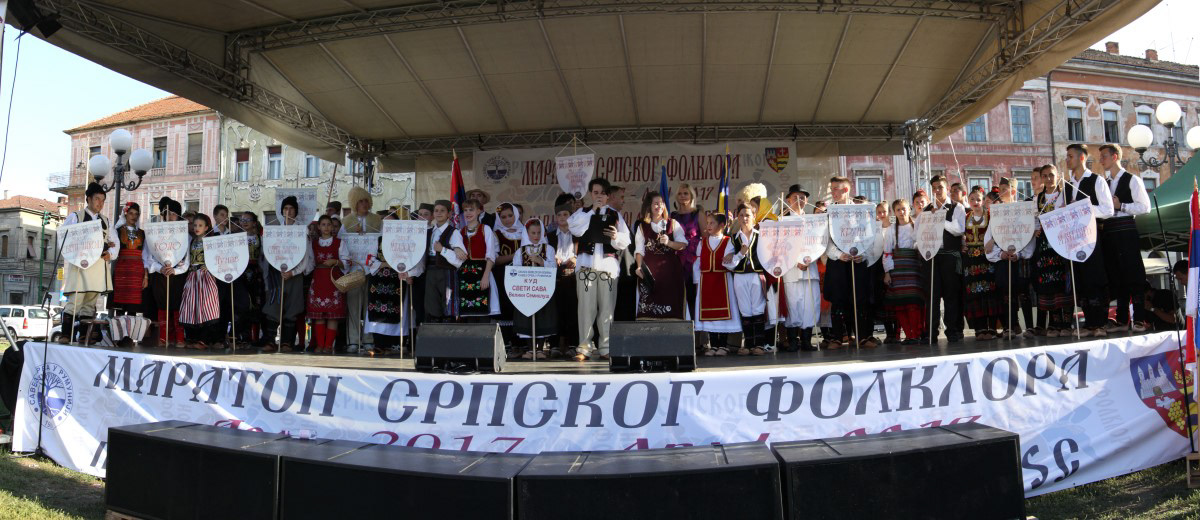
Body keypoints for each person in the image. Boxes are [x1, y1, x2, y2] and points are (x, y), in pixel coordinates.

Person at [568, 178, 631, 361]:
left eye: (602, 193)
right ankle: (584, 347)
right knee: (585, 308)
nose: (599, 196)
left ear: (608, 195)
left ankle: (606, 347)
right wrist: (592, 212)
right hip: (586, 265)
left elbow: (625, 240)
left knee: (607, 309)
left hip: (607, 267)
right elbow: (575, 229)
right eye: (595, 193)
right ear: (590, 194)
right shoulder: (583, 212)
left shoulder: (615, 215)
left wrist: (615, 236)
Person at [1064, 143, 1115, 337]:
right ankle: (1089, 323)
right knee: (1081, 279)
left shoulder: (1096, 180)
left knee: (1096, 278)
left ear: (1081, 158)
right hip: (1074, 240)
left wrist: (1083, 208)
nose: (1067, 160)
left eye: (1070, 156)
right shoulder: (1067, 185)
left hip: (1093, 238)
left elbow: (1108, 210)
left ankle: (1100, 323)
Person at [1099, 144, 1150, 333]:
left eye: (1104, 156)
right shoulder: (1104, 183)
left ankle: (1139, 319)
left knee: (1133, 274)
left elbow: (1145, 207)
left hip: (1126, 229)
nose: (1101, 160)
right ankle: (1121, 320)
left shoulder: (1132, 179)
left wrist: (1121, 206)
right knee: (1116, 275)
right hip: (1109, 231)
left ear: (1115, 157)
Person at [824, 177, 878, 349]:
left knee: (860, 298)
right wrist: (838, 254)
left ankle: (863, 336)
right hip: (839, 262)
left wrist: (863, 254)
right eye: (832, 188)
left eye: (836, 188)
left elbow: (869, 236)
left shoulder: (861, 211)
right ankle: (838, 337)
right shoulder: (829, 212)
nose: (832, 192)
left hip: (857, 260)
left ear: (846, 190)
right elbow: (825, 240)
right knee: (838, 299)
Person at [61, 183, 118, 343]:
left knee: (90, 303)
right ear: (89, 199)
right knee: (75, 301)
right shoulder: (75, 217)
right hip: (81, 266)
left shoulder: (106, 221)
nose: (100, 203)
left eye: (103, 200)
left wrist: (110, 252)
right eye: (97, 199)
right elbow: (64, 240)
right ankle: (66, 334)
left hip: (98, 267)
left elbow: (115, 242)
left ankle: (84, 336)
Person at [262, 196, 313, 352]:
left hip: (294, 274)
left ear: (295, 211)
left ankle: (287, 342)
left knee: (292, 309)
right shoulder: (274, 231)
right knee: (273, 307)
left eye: (291, 209)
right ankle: (270, 341)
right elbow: (267, 253)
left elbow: (306, 256)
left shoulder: (301, 231)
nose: (288, 211)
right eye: (285, 208)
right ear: (282, 211)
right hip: (276, 275)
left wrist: (294, 272)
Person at [365, 221, 424, 356]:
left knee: (397, 311)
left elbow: (411, 260)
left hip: (398, 280)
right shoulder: (378, 240)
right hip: (378, 281)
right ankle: (379, 344)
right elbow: (369, 260)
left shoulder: (406, 241)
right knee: (377, 311)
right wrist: (389, 264)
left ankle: (394, 344)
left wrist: (408, 273)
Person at [339, 186, 382, 353]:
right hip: (353, 270)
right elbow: (341, 244)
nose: (364, 204)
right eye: (360, 201)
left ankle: (369, 339)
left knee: (369, 306)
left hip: (372, 270)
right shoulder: (346, 222)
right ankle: (353, 340)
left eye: (366, 201)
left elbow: (382, 242)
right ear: (354, 203)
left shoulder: (377, 220)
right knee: (353, 307)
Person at [924, 175, 967, 342]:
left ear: (947, 188)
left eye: (940, 187)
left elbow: (959, 229)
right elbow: (919, 234)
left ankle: (953, 331)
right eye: (934, 188)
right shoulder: (927, 209)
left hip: (950, 256)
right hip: (932, 257)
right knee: (932, 296)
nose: (937, 190)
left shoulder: (957, 207)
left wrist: (940, 218)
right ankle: (931, 332)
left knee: (951, 295)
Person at [1032, 165, 1073, 337]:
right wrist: (1036, 229)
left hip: (1061, 242)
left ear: (1058, 176)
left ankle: (1067, 324)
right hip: (1044, 246)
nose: (1048, 179)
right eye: (1045, 176)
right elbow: (1035, 218)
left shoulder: (1065, 194)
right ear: (1041, 178)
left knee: (1063, 283)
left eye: (1051, 175)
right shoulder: (1038, 198)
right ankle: (1055, 324)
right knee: (1049, 283)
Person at [634, 192, 688, 320]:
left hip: (670, 272)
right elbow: (639, 250)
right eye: (656, 203)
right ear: (649, 206)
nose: (659, 206)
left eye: (661, 203)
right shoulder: (642, 226)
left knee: (671, 306)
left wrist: (669, 243)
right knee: (648, 310)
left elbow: (683, 245)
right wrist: (639, 267)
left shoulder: (672, 224)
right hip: (650, 273)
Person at [725, 204, 769, 355]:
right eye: (742, 215)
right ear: (737, 218)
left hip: (756, 275)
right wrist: (739, 254)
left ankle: (759, 345)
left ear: (754, 217)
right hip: (740, 276)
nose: (744, 218)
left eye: (748, 215)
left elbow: (769, 256)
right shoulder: (733, 239)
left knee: (758, 308)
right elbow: (727, 264)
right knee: (745, 310)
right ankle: (749, 344)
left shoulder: (761, 236)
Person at [780, 185, 820, 352]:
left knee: (810, 305)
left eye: (802, 197)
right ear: (788, 200)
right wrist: (797, 261)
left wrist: (809, 259)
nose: (799, 200)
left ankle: (806, 340)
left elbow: (819, 243)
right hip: (791, 270)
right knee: (793, 304)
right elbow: (780, 246)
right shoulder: (782, 221)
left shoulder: (813, 220)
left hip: (810, 268)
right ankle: (792, 341)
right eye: (795, 197)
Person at [513, 218, 558, 359]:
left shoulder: (548, 249)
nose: (536, 236)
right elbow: (515, 270)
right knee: (527, 317)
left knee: (542, 317)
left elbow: (554, 268)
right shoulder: (520, 252)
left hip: (543, 290)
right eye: (533, 233)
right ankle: (530, 348)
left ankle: (540, 349)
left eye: (539, 232)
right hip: (526, 291)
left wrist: (541, 261)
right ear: (527, 233)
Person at [695, 213, 740, 356]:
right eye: (707, 223)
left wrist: (729, 259)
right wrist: (697, 281)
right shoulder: (702, 242)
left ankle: (723, 345)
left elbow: (729, 263)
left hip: (723, 280)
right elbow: (698, 262)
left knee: (723, 313)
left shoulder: (728, 241)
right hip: (706, 281)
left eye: (712, 223)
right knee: (709, 315)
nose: (708, 226)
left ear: (722, 225)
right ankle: (714, 345)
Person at [145, 197, 187, 348]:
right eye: (167, 213)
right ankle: (163, 337)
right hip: (160, 275)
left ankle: (179, 337)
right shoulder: (154, 233)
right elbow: (148, 256)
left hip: (178, 276)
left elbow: (187, 259)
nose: (170, 216)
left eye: (174, 213)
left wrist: (176, 270)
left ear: (178, 216)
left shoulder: (185, 235)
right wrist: (159, 268)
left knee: (177, 305)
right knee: (162, 304)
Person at [882, 199, 925, 344]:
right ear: (894, 212)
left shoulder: (916, 226)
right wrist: (887, 272)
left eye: (904, 209)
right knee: (900, 304)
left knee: (914, 302)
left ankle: (916, 334)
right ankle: (908, 334)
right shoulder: (890, 230)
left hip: (914, 268)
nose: (902, 212)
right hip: (897, 269)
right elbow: (887, 252)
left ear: (909, 209)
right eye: (898, 210)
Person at [449, 199, 499, 321]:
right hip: (464, 275)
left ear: (479, 211)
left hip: (482, 272)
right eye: (465, 210)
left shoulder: (485, 229)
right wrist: (456, 248)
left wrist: (486, 276)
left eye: (471, 210)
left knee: (483, 309)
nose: (468, 213)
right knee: (466, 311)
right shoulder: (460, 231)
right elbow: (452, 247)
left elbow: (491, 255)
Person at [961, 189, 1001, 340]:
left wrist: (993, 240)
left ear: (983, 201)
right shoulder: (966, 217)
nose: (975, 202)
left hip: (987, 257)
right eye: (972, 199)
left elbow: (999, 230)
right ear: (968, 201)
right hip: (971, 260)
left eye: (978, 199)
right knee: (974, 293)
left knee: (989, 292)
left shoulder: (990, 215)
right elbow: (959, 235)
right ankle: (979, 328)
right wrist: (962, 244)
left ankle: (991, 328)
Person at [306, 215, 349, 354]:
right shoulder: (313, 243)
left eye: (329, 224)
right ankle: (320, 345)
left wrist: (335, 262)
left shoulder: (339, 243)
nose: (326, 227)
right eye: (323, 224)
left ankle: (328, 345)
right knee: (319, 315)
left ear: (332, 227)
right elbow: (310, 262)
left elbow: (346, 262)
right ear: (318, 227)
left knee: (332, 315)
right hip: (318, 280)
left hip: (333, 280)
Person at [179, 214, 223, 349]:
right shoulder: (192, 241)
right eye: (195, 225)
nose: (196, 228)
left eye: (200, 225)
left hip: (206, 277)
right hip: (192, 276)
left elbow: (219, 258)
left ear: (207, 227)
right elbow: (188, 259)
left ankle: (204, 340)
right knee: (191, 306)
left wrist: (210, 266)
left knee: (206, 307)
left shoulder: (211, 242)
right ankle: (194, 338)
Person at [492, 202, 526, 351]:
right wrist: (515, 256)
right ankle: (506, 344)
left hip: (524, 276)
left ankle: (522, 344)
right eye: (503, 217)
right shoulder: (496, 234)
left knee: (521, 308)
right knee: (506, 308)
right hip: (504, 275)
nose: (507, 219)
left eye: (510, 215)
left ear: (516, 215)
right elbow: (495, 260)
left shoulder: (526, 232)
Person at [671, 184, 704, 335]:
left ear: (691, 196)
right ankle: (681, 333)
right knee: (679, 295)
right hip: (677, 259)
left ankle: (698, 336)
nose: (683, 196)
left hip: (694, 259)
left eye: (686, 193)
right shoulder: (673, 216)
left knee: (694, 296)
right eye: (680, 193)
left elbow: (706, 237)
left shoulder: (698, 213)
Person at [548, 202, 578, 357]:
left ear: (571, 216)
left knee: (573, 310)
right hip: (556, 276)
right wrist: (552, 258)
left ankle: (573, 344)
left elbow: (585, 252)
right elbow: (544, 253)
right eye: (559, 215)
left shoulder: (578, 235)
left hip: (573, 276)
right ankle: (554, 346)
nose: (562, 217)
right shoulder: (550, 236)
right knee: (555, 310)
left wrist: (576, 258)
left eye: (565, 214)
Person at [423, 200, 457, 324]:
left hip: (446, 272)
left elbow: (459, 260)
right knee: (432, 303)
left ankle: (448, 332)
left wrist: (442, 250)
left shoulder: (454, 232)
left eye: (442, 210)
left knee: (447, 303)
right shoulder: (429, 232)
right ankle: (434, 330)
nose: (439, 213)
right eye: (436, 211)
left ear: (449, 214)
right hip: (430, 271)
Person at [109, 203, 146, 316]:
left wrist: (146, 276)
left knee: (132, 310)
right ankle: (118, 328)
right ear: (125, 214)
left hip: (137, 273)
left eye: (136, 214)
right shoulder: (117, 231)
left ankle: (131, 328)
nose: (134, 216)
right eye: (131, 213)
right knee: (119, 310)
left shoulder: (142, 233)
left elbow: (145, 255)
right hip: (122, 271)